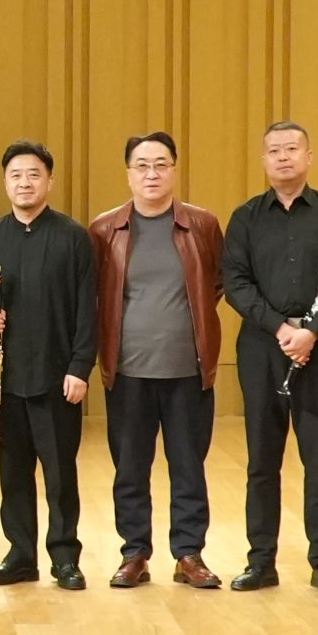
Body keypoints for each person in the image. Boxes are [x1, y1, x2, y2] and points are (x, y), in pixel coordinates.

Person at [222, 120, 318, 596]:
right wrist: (282, 328)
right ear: (264, 160)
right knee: (262, 460)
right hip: (263, 347)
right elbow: (236, 283)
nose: (283, 157)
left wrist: (311, 331)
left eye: (292, 149)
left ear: (309, 156)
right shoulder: (245, 217)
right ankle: (261, 561)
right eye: (274, 150)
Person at [86, 131, 226, 590]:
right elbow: (96, 293)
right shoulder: (104, 230)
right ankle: (134, 553)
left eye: (161, 164)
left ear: (174, 169)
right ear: (128, 173)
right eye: (142, 165)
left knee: (189, 466)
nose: (152, 174)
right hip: (127, 371)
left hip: (188, 370)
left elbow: (216, 284)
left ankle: (189, 554)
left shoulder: (202, 225)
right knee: (130, 468)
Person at [0, 140, 96, 590]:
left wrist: (80, 367)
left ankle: (65, 558)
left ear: (49, 181)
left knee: (60, 474)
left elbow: (88, 310)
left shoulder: (73, 238)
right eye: (16, 175)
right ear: (5, 182)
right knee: (13, 474)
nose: (24, 182)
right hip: (7, 378)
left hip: (58, 378)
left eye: (34, 174)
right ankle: (20, 555)